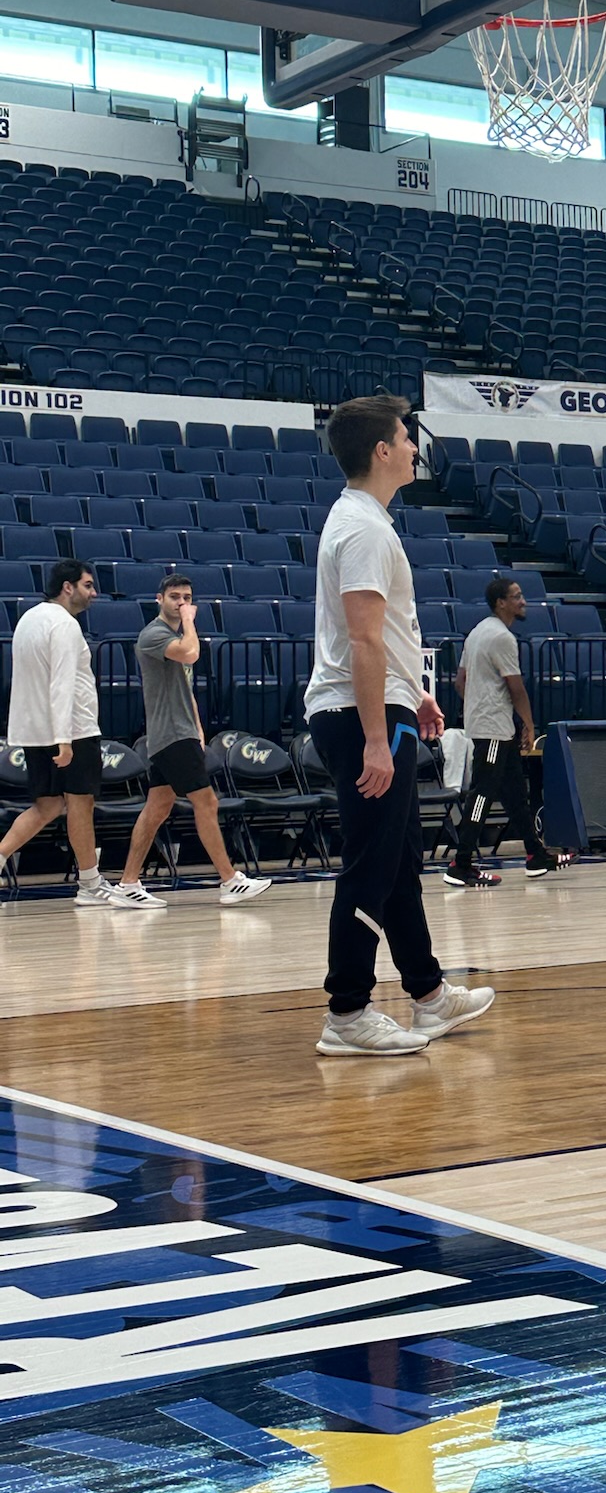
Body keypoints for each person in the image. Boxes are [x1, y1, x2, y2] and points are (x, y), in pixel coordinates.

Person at [304, 393, 495, 1056]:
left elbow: (383, 635)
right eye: (407, 438)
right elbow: (362, 640)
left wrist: (415, 694)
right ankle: (347, 1012)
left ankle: (429, 996)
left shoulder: (367, 520)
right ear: (382, 450)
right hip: (361, 717)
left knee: (399, 862)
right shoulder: (361, 528)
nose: (415, 448)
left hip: (385, 708)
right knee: (370, 866)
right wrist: (376, 738)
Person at [107, 577, 273, 911]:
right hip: (170, 733)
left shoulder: (174, 636)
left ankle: (127, 883)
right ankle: (229, 880)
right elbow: (191, 654)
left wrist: (197, 730)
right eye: (175, 597)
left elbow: (185, 689)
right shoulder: (154, 635)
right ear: (159, 599)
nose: (181, 602)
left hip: (179, 733)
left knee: (157, 808)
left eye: (187, 597)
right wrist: (188, 621)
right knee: (206, 802)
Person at [446, 574, 567, 888]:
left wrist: (478, 705)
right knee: (483, 793)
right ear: (501, 602)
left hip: (491, 724)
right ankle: (461, 863)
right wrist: (529, 724)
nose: (523, 601)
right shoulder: (502, 637)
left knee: (515, 794)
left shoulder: (476, 632)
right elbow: (516, 688)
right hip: (494, 728)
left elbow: (460, 682)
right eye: (516, 596)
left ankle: (535, 855)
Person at [0, 560, 109, 904]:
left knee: (47, 806)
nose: (94, 593)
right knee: (81, 803)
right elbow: (61, 684)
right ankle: (90, 885)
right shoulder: (64, 624)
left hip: (36, 730)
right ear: (67, 587)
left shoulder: (28, 619)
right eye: (88, 585)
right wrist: (64, 738)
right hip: (71, 730)